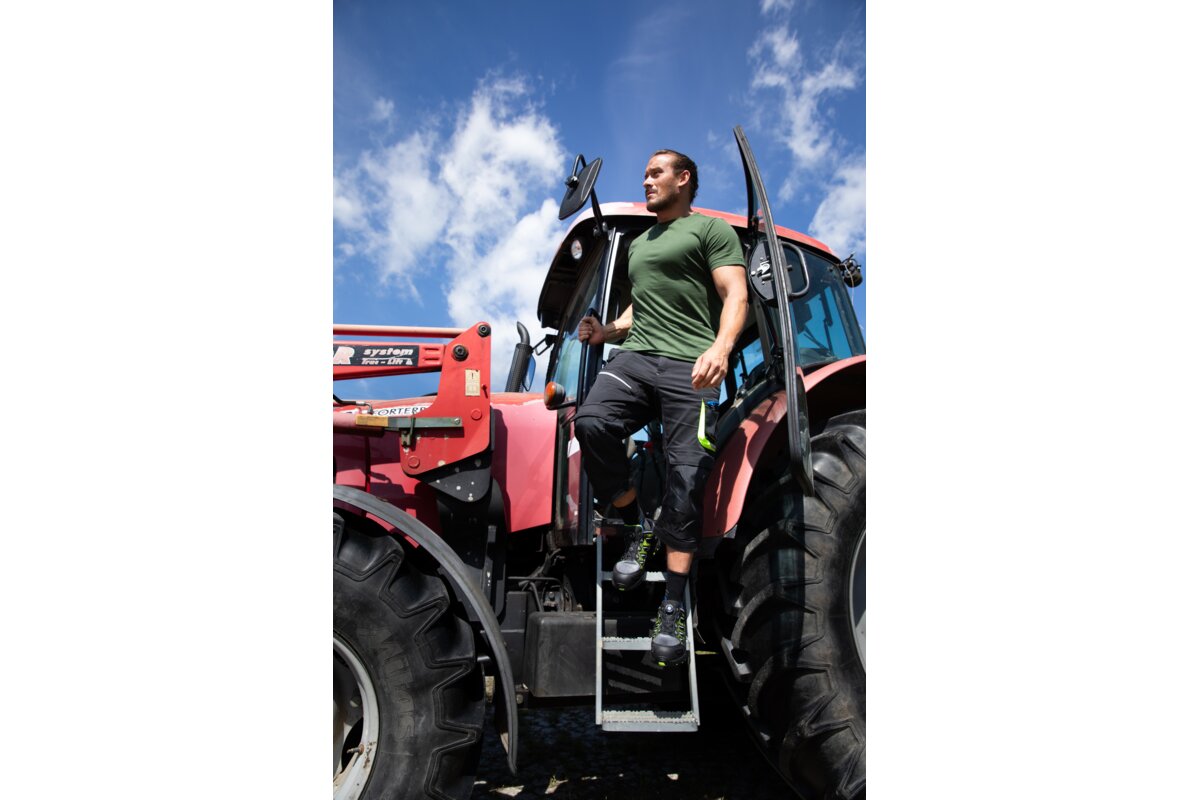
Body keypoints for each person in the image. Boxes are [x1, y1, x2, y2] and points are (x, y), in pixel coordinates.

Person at [574, 149, 748, 666]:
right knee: (591, 422)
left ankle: (672, 604)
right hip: (637, 358)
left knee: (687, 479)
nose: (646, 180)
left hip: (689, 365)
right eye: (645, 174)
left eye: (656, 173)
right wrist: (607, 331)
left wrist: (721, 349)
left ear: (683, 178)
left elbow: (735, 294)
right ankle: (636, 522)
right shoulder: (640, 244)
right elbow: (641, 306)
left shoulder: (710, 230)